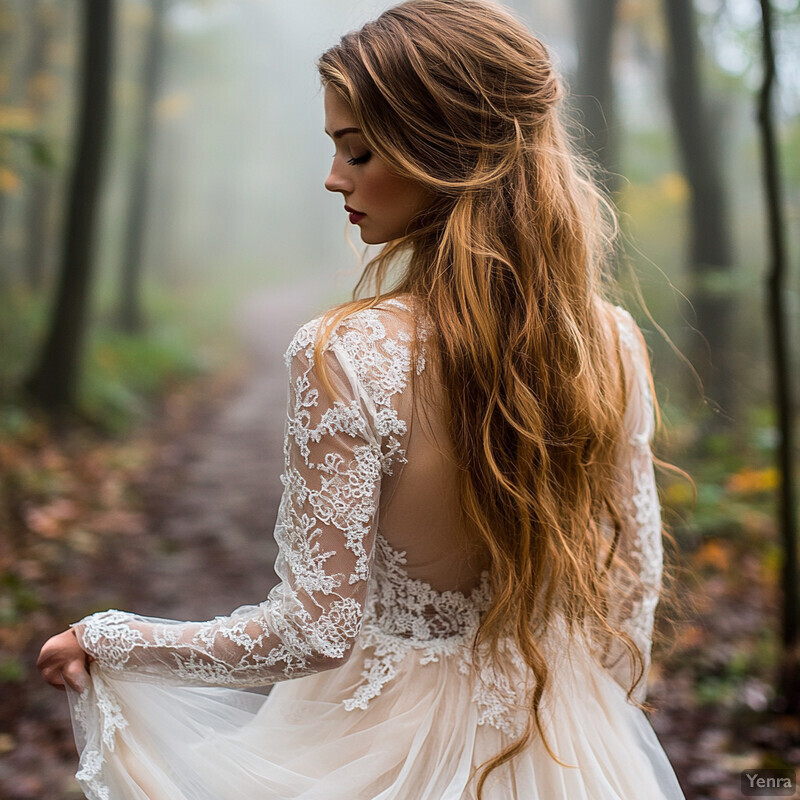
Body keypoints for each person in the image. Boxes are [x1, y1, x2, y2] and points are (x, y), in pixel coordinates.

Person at [37, 1, 686, 797]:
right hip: (569, 743)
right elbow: (632, 592)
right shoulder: (611, 340)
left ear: (441, 149)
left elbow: (314, 629)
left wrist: (113, 639)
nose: (333, 176)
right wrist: (598, 734)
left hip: (379, 750)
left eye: (360, 150)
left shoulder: (347, 353)